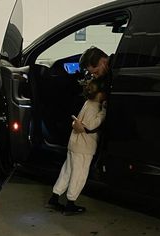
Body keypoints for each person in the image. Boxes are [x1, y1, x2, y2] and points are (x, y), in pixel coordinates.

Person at [47, 77, 107, 215]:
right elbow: (91, 125)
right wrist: (104, 112)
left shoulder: (87, 103)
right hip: (84, 148)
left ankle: (54, 198)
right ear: (100, 94)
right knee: (79, 175)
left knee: (67, 171)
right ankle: (70, 204)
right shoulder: (95, 107)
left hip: (74, 144)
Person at [73, 46, 112, 133]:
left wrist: (85, 129)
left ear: (103, 61)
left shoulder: (113, 74)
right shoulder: (108, 73)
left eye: (96, 72)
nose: (95, 76)